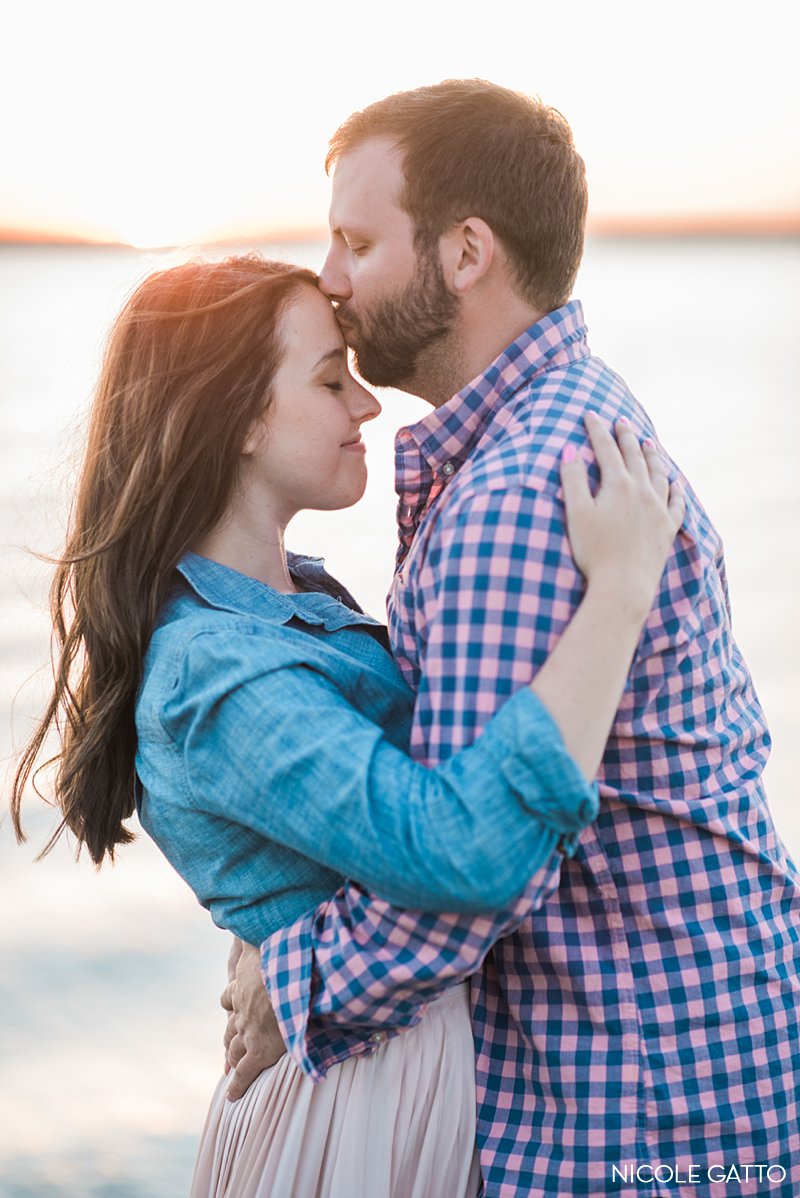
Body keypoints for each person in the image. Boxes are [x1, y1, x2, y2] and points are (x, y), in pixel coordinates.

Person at [227, 81, 800, 1196]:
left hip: (637, 1108)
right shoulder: (561, 426)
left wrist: (285, 986)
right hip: (691, 1066)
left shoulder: (516, 493)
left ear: (466, 251)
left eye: (355, 240)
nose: (329, 278)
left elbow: (455, 884)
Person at [9, 253, 683, 1198]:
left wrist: (284, 950)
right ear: (238, 419)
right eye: (331, 380)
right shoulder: (215, 669)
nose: (367, 406)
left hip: (387, 1061)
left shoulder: (300, 600)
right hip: (350, 1095)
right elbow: (453, 849)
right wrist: (619, 590)